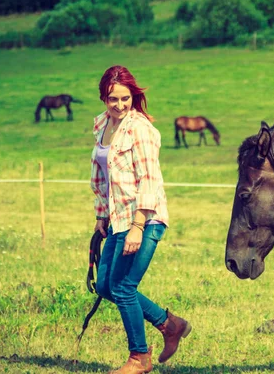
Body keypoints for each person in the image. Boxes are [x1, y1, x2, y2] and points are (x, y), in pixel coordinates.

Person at [90, 65, 191, 374]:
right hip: (116, 218)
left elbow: (149, 179)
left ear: (133, 96)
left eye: (125, 98)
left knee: (122, 286)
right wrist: (100, 217)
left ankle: (139, 358)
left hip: (144, 219)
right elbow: (102, 175)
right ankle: (169, 324)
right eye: (112, 99)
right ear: (103, 99)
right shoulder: (102, 124)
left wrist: (137, 226)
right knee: (106, 285)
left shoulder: (140, 129)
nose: (120, 106)